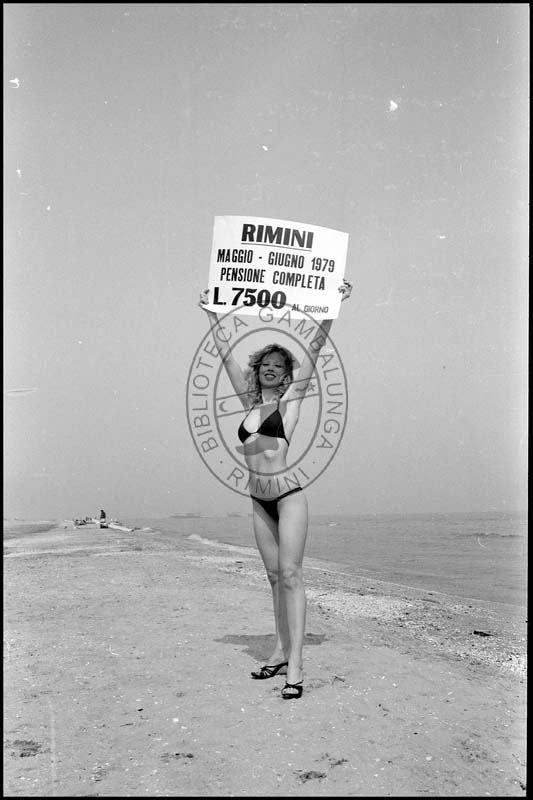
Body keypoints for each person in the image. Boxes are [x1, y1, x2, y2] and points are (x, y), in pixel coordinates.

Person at [198, 280, 352, 699]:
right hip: (257, 500)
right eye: (264, 363)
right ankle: (280, 650)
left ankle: (296, 664)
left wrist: (332, 306)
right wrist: (212, 314)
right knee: (272, 578)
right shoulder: (249, 405)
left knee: (291, 576)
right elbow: (227, 356)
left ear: (286, 376)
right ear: (258, 370)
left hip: (288, 498)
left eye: (278, 366)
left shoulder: (290, 404)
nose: (270, 368)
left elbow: (314, 351)